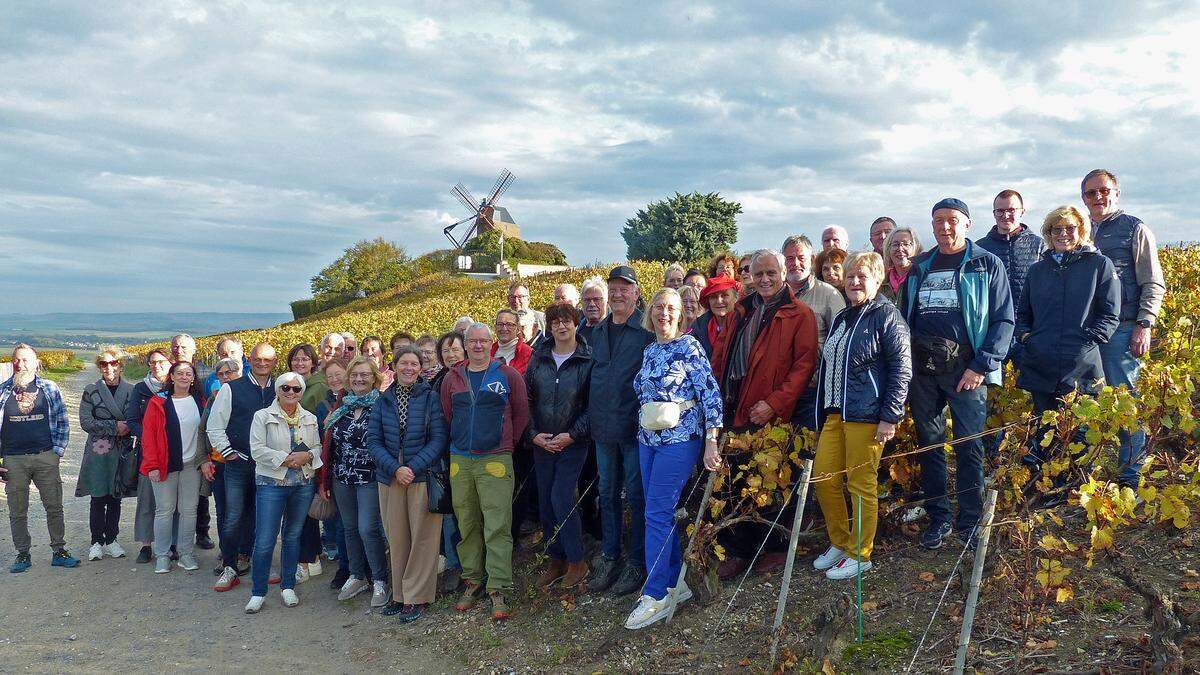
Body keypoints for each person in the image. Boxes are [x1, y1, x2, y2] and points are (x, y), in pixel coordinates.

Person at [900, 198, 1013, 549]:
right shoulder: (919, 267)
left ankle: (969, 521)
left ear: (967, 224)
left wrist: (980, 366)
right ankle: (938, 519)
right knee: (930, 446)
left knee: (969, 447)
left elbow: (1004, 319)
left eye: (952, 220)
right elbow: (904, 320)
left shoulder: (986, 264)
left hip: (966, 370)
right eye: (938, 221)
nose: (945, 227)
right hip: (923, 372)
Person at [624, 288, 724, 630]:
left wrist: (711, 442)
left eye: (671, 309)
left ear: (681, 315)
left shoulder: (689, 347)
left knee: (657, 511)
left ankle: (654, 595)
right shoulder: (649, 350)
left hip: (680, 440)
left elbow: (711, 395)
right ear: (650, 313)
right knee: (655, 511)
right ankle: (671, 584)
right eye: (658, 308)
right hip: (648, 439)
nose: (663, 314)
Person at [811, 252, 912, 580]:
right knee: (824, 480)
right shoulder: (842, 318)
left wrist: (890, 416)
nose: (854, 282)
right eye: (850, 276)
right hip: (834, 414)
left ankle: (860, 553)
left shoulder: (887, 316)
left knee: (860, 483)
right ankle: (840, 542)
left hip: (867, 416)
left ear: (878, 279)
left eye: (862, 276)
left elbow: (901, 369)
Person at [718, 250, 818, 578]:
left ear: (782, 273)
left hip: (771, 414)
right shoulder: (742, 309)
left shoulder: (799, 314)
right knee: (737, 481)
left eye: (770, 273)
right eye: (758, 273)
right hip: (737, 408)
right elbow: (725, 355)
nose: (764, 279)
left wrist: (774, 403)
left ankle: (773, 549)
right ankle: (741, 550)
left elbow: (804, 367)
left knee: (772, 483)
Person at [1016, 206, 1121, 506]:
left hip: (1081, 363)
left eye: (1069, 228)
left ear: (1081, 230)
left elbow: (1110, 314)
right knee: (1046, 426)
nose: (1063, 234)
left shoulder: (1099, 265)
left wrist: (1086, 343)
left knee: (1078, 429)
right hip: (1042, 360)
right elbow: (1023, 314)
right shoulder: (1038, 271)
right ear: (1048, 234)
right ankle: (1049, 484)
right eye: (1055, 229)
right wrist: (1028, 338)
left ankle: (1073, 489)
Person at [1081, 169, 1166, 488]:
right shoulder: (1079, 231)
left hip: (1122, 330)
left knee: (1126, 405)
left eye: (1104, 191)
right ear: (1084, 199)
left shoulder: (1134, 229)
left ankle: (1131, 482)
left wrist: (1144, 324)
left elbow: (1153, 282)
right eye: (1091, 193)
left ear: (1117, 193)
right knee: (1084, 404)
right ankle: (1083, 480)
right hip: (1087, 334)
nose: (1098, 197)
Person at [441, 323, 529, 621]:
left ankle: (498, 586)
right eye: (472, 341)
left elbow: (520, 413)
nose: (478, 346)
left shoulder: (508, 375)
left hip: (496, 459)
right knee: (466, 523)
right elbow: (447, 415)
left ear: (490, 344)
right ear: (465, 344)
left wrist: (506, 444)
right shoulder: (452, 378)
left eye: (483, 341)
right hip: (460, 460)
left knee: (497, 524)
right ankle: (473, 580)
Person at [587, 265, 655, 595]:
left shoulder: (646, 333)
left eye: (624, 288)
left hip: (633, 431)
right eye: (612, 288)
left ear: (637, 292)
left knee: (637, 497)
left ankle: (637, 562)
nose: (617, 293)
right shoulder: (595, 334)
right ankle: (610, 556)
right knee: (607, 495)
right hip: (602, 430)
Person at [369, 347, 449, 622]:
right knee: (397, 537)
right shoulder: (382, 401)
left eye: (414, 364)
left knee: (423, 538)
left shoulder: (431, 398)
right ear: (394, 366)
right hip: (390, 477)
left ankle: (417, 596)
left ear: (420, 368)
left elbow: (438, 439)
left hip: (421, 475)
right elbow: (374, 441)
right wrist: (395, 469)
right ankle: (399, 594)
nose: (409, 368)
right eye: (404, 363)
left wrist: (412, 468)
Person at [525, 302, 594, 592]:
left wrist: (572, 435)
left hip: (572, 442)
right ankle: (556, 559)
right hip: (542, 443)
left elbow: (593, 406)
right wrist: (533, 434)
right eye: (555, 323)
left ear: (576, 324)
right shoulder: (538, 358)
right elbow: (526, 401)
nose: (561, 327)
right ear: (549, 327)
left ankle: (577, 560)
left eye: (567, 321)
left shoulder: (587, 359)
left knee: (561, 497)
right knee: (546, 503)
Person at [243, 372, 322, 613]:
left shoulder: (309, 418)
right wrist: (286, 459)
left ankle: (288, 586)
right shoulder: (262, 416)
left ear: (301, 392)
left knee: (292, 536)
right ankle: (258, 592)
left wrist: (308, 456)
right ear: (277, 390)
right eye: (285, 388)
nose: (290, 392)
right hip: (271, 484)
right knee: (265, 538)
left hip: (302, 484)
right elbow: (256, 450)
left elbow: (318, 446)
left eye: (296, 389)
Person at [318, 356, 388, 608]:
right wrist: (324, 481)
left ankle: (380, 579)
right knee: (349, 528)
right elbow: (330, 444)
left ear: (374, 379)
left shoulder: (381, 405)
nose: (359, 379)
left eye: (364, 375)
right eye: (355, 375)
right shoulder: (342, 406)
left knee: (367, 528)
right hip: (342, 477)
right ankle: (357, 575)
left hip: (369, 477)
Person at [208, 343, 277, 593]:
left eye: (267, 359)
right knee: (233, 517)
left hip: (268, 466)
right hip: (238, 464)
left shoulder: (281, 389)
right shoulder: (231, 389)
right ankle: (229, 566)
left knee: (264, 517)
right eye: (257, 358)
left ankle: (262, 563)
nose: (262, 363)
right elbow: (214, 426)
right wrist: (229, 454)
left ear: (275, 361)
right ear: (250, 359)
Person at [1, 344, 77, 572]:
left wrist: (58, 451)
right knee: (17, 510)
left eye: (25, 360)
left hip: (45, 456)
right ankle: (22, 554)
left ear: (35, 363)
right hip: (13, 459)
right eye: (16, 360)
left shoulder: (50, 388)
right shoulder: (2, 390)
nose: (20, 364)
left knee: (54, 506)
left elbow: (63, 420)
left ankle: (59, 550)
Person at [140, 361, 206, 574]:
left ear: (193, 378)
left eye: (189, 373)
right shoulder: (158, 402)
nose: (185, 377)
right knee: (164, 510)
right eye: (180, 373)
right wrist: (151, 465)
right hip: (164, 464)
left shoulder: (200, 401)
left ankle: (185, 553)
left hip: (191, 465)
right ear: (172, 377)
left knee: (189, 511)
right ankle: (162, 555)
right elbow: (148, 435)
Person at [782, 234, 846, 430]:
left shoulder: (830, 295)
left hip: (812, 388)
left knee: (808, 451)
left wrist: (819, 377)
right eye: (790, 258)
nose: (795, 263)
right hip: (779, 388)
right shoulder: (774, 295)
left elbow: (840, 342)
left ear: (811, 260)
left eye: (801, 257)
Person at [78, 347, 134, 561]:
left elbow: (136, 417)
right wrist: (114, 426)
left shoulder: (131, 390)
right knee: (98, 496)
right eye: (104, 364)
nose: (109, 367)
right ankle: (96, 541)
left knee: (115, 497)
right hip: (98, 451)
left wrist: (127, 427)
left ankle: (111, 539)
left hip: (122, 450)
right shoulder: (90, 390)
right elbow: (85, 422)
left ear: (120, 365)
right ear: (99, 366)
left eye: (114, 363)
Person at [203, 357, 251, 575]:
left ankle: (244, 552)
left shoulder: (246, 395)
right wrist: (203, 460)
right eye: (221, 374)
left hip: (243, 462)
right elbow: (203, 430)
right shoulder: (214, 399)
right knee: (224, 510)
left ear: (239, 373)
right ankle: (226, 552)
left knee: (247, 509)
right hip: (221, 462)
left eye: (229, 373)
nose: (225, 377)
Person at [126, 349, 173, 564]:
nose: (157, 366)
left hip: (175, 451)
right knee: (147, 498)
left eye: (161, 362)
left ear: (170, 363)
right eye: (153, 363)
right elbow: (133, 420)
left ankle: (172, 542)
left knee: (174, 501)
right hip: (149, 452)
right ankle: (146, 544)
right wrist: (151, 437)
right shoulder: (141, 389)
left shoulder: (177, 387)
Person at [432, 330, 466, 594]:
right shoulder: (438, 381)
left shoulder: (478, 375)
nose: (451, 355)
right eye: (446, 351)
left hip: (472, 454)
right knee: (450, 514)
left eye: (455, 349)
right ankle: (456, 565)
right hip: (446, 456)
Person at [312, 356, 350, 587]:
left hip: (357, 470)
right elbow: (318, 440)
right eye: (330, 376)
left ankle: (354, 568)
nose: (335, 379)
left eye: (339, 374)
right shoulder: (321, 405)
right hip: (334, 470)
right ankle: (344, 568)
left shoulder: (357, 399)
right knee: (339, 523)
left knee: (354, 524)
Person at [692, 275, 741, 369]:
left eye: (724, 295)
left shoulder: (744, 324)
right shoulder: (698, 327)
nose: (719, 301)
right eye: (714, 297)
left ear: (735, 298)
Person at [301, 334, 344, 411]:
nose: (332, 352)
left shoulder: (348, 375)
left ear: (343, 353)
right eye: (328, 347)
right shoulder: (306, 371)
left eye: (337, 349)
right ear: (320, 349)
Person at [880, 226, 923, 302]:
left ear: (916, 248)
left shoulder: (922, 279)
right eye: (895, 244)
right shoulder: (881, 282)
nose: (900, 249)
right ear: (888, 249)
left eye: (906, 244)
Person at [491, 308, 533, 374]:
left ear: (518, 328)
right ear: (495, 327)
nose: (504, 328)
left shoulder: (528, 353)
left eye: (509, 324)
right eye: (500, 324)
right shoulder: (488, 351)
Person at [287, 344, 319, 410]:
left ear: (313, 363)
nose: (300, 363)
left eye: (304, 359)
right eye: (295, 359)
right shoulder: (284, 385)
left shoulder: (319, 387)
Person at [578, 276, 608, 343]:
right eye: (587, 300)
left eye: (596, 299)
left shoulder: (613, 331)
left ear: (607, 301)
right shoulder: (577, 329)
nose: (592, 304)